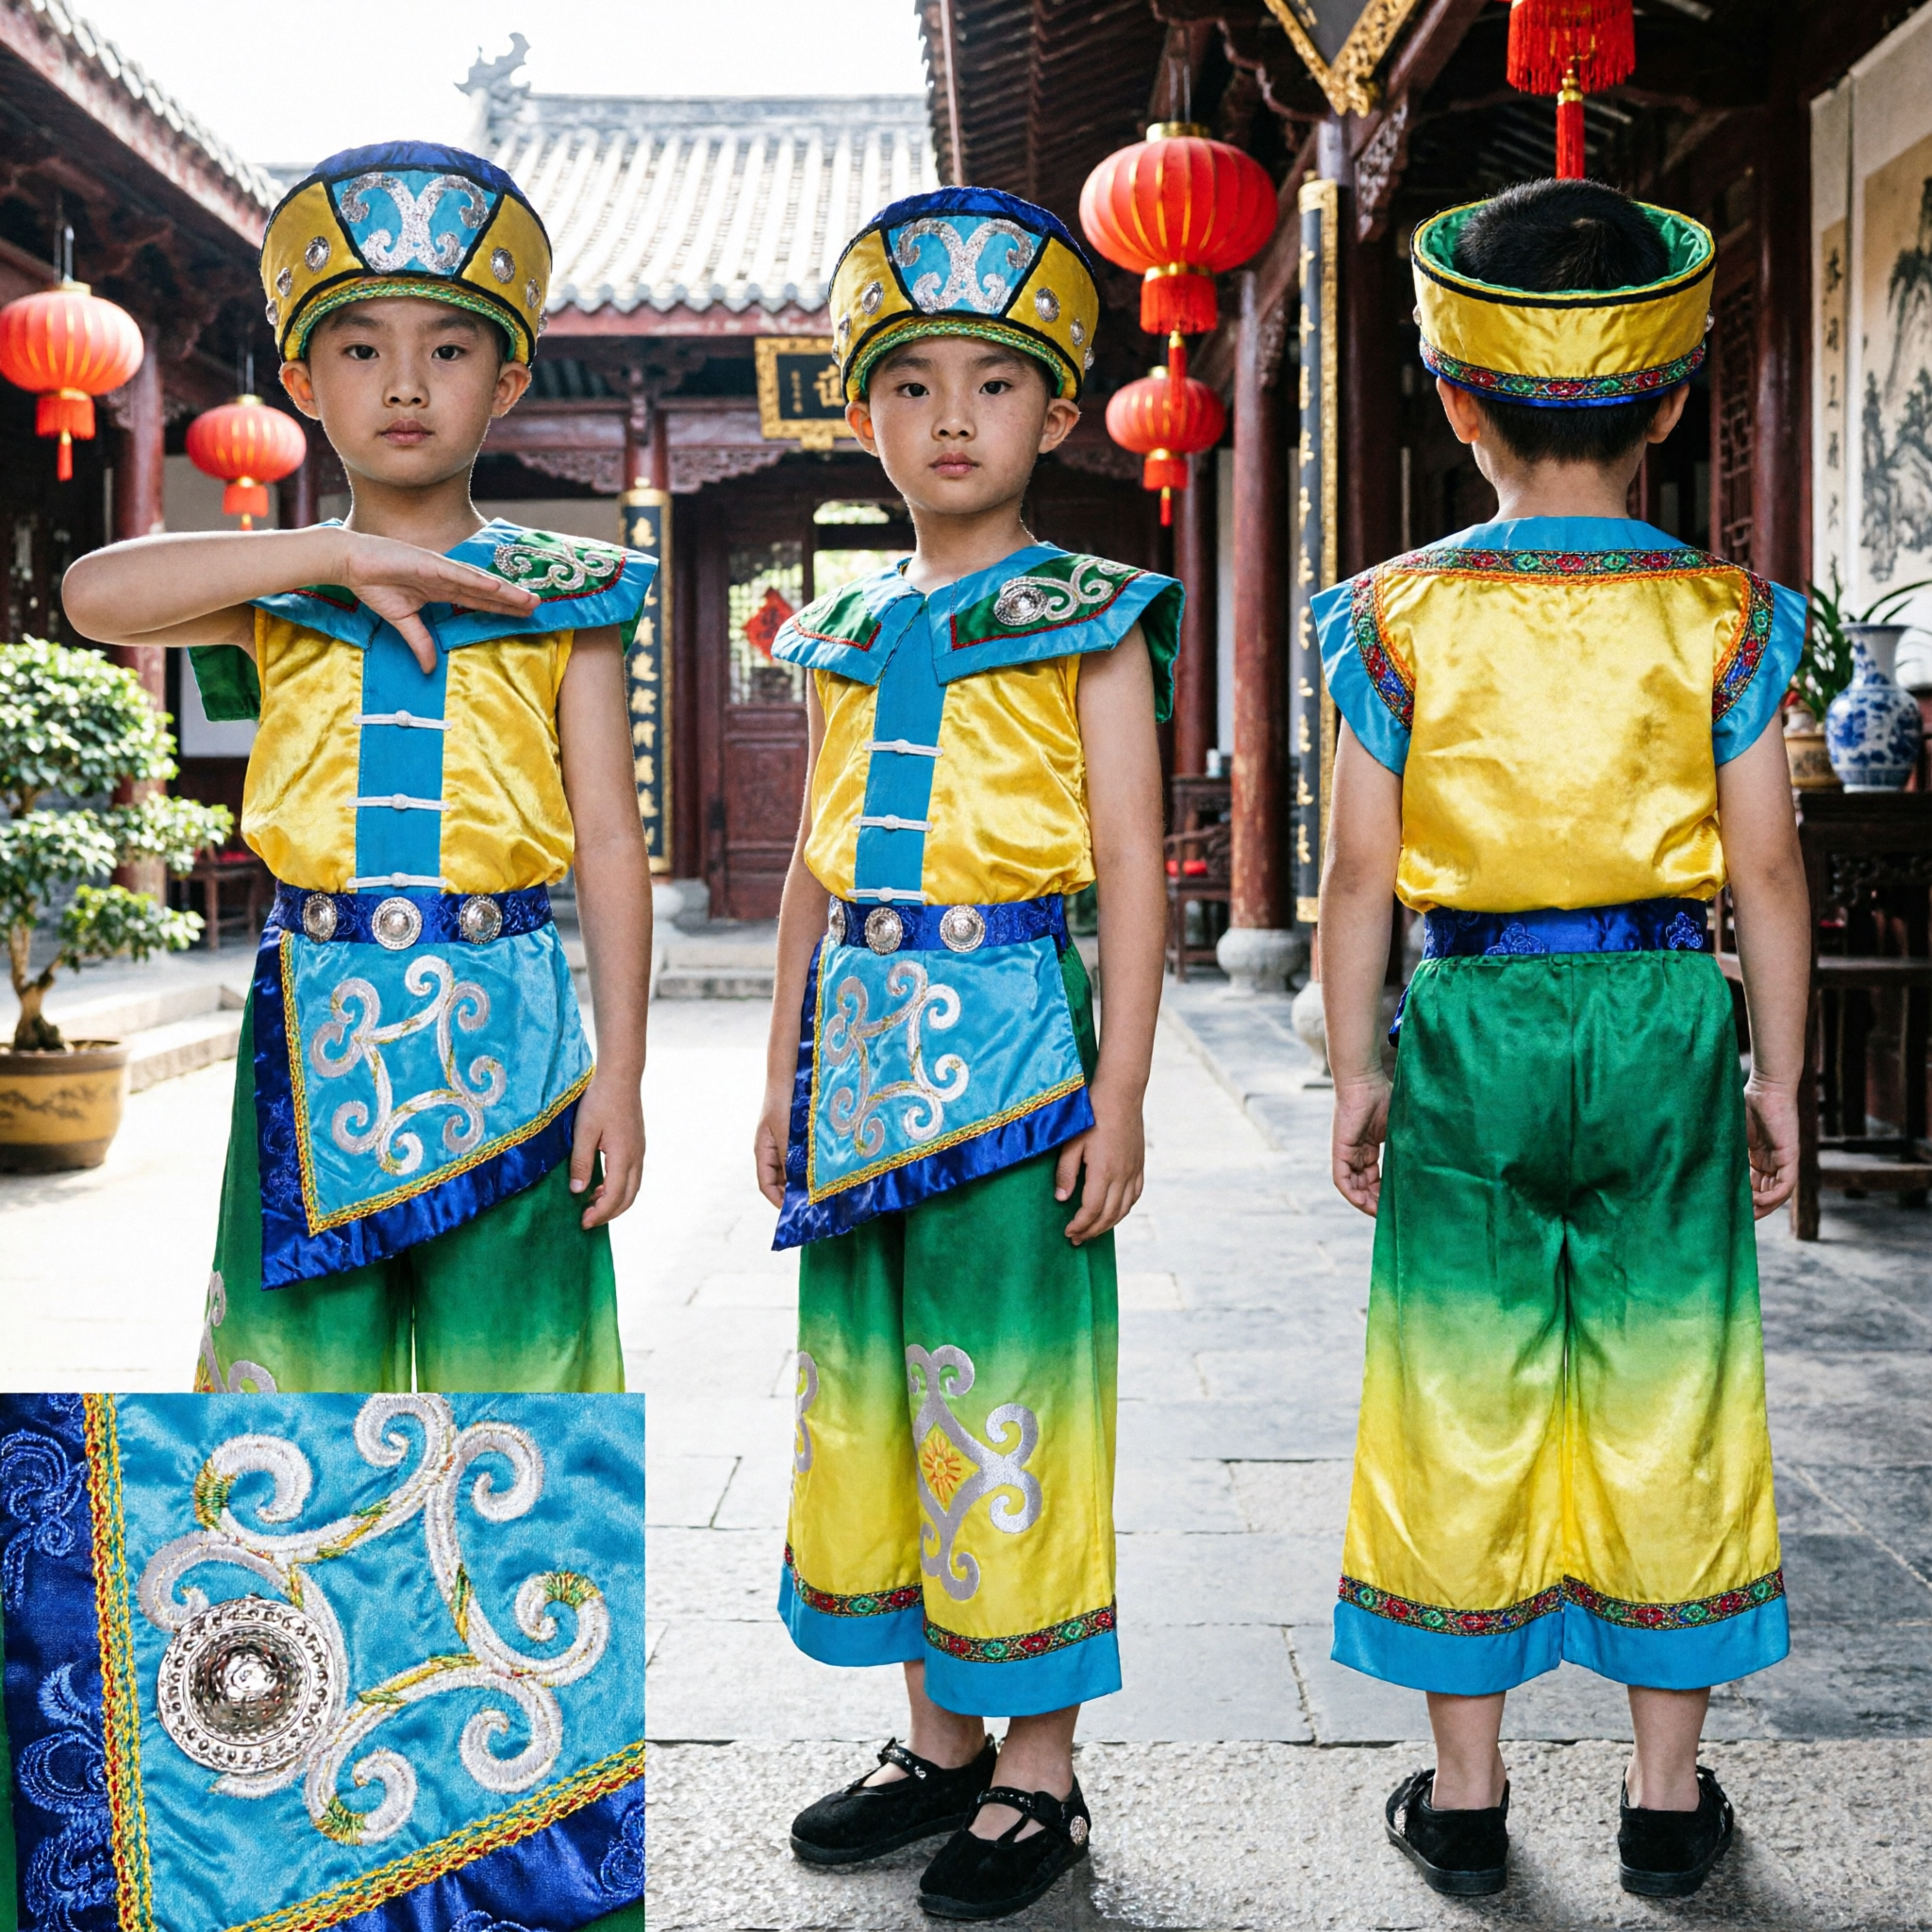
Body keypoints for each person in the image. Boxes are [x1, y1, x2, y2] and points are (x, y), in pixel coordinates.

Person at [1316, 178, 1811, 1902]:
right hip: (1668, 1011)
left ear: (1461, 406)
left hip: (1471, 1017)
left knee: (1457, 1386)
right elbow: (1767, 866)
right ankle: (1665, 1807)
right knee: (1675, 1384)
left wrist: (1359, 1067)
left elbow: (1359, 872)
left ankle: (1465, 1801)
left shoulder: (1394, 614)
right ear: (1667, 408)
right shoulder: (1726, 614)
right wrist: (1778, 1076)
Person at [61, 142, 654, 1393]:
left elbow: (608, 839)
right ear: (301, 382)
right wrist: (330, 558)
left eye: (450, 349)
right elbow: (92, 595)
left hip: (518, 1028)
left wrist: (625, 1074)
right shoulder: (277, 593)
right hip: (313, 1030)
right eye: (360, 348)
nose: (404, 383)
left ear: (506, 382)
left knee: (524, 1401)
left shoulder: (567, 595)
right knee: (296, 1401)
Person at [750, 187, 1174, 1922]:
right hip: (857, 1075)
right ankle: (937, 1742)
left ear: (1055, 414)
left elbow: (1133, 864)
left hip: (1017, 1062)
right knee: (875, 1398)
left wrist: (1120, 1093)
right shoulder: (841, 631)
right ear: (862, 417)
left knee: (1013, 1399)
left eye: (991, 384)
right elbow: (812, 861)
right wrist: (778, 1074)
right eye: (910, 385)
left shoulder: (1089, 614)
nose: (949, 418)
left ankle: (1039, 1768)